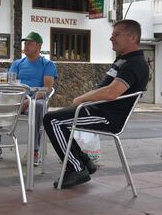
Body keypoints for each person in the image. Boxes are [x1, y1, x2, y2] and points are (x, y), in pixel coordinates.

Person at [43, 19, 149, 189]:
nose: (111, 38)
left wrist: (82, 98)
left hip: (108, 117)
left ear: (132, 38)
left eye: (116, 34)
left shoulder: (135, 64)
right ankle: (85, 162)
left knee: (53, 120)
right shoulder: (123, 60)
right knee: (55, 118)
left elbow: (111, 92)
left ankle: (76, 168)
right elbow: (106, 88)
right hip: (97, 110)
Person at [0, 31, 58, 164]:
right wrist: (15, 99)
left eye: (29, 43)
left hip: (36, 99)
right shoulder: (17, 63)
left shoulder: (47, 65)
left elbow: (47, 89)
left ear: (39, 46)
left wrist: (28, 101)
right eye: (25, 43)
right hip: (17, 98)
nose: (26, 46)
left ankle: (34, 150)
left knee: (37, 106)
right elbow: (10, 84)